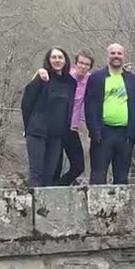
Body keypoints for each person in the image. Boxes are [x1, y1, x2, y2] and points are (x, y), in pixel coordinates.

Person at [84, 43, 135, 184]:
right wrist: (94, 131)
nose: (116, 56)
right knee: (98, 177)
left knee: (122, 178)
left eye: (119, 53)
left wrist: (134, 135)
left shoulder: (133, 80)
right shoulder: (96, 78)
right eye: (113, 53)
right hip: (103, 134)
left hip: (125, 136)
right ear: (108, 55)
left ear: (124, 56)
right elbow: (90, 107)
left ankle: (121, 207)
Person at [20, 47, 77, 187]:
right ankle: (32, 206)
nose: (57, 60)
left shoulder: (70, 82)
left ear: (65, 60)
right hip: (37, 132)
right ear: (48, 60)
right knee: (36, 173)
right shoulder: (42, 77)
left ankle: (45, 208)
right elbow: (26, 103)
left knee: (49, 174)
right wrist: (28, 127)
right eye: (54, 57)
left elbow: (68, 109)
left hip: (57, 135)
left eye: (60, 57)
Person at [35, 52, 94, 184]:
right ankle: (50, 191)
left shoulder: (90, 80)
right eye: (81, 63)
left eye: (87, 65)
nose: (83, 67)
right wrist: (40, 71)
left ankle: (59, 186)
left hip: (71, 128)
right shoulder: (66, 77)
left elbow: (106, 76)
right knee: (55, 165)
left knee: (78, 166)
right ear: (75, 63)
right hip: (55, 127)